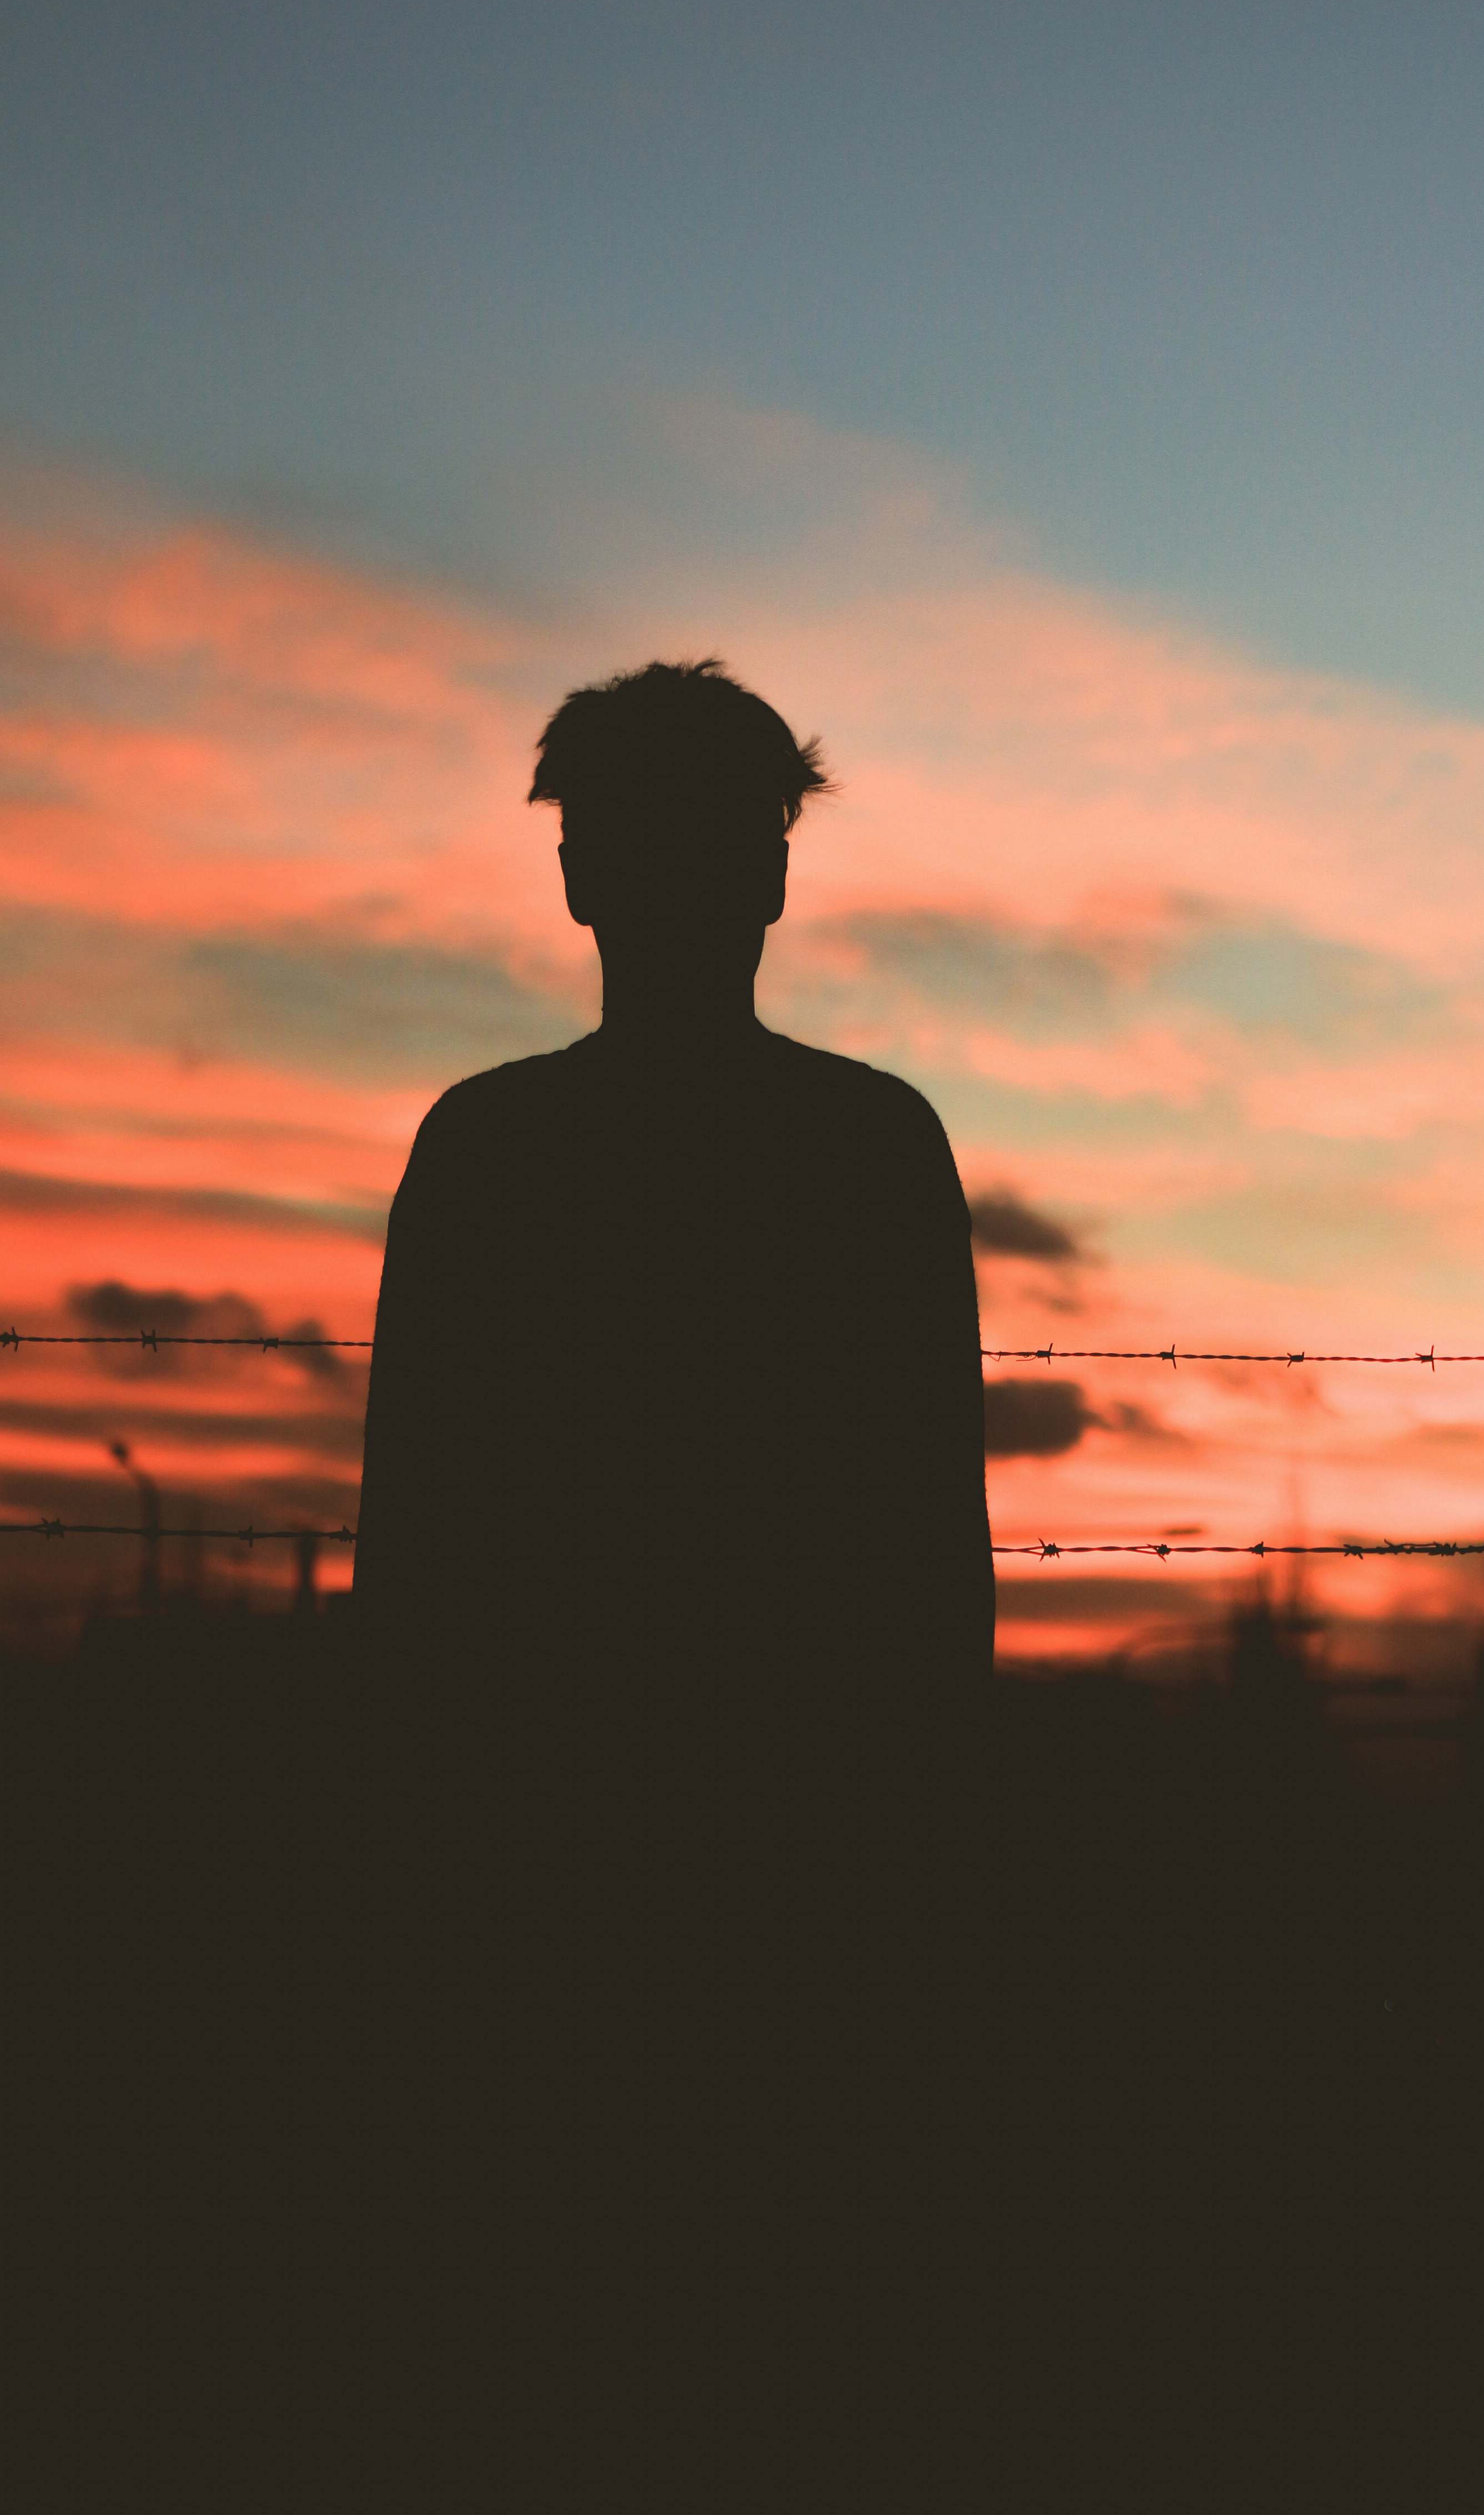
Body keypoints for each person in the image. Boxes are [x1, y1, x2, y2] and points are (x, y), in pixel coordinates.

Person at [346, 658, 995, 2508]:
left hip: (565, 1882)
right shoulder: (871, 1146)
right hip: (791, 1884)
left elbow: (417, 1558)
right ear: (771, 878)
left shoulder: (494, 1149)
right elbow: (933, 1579)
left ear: (579, 881)